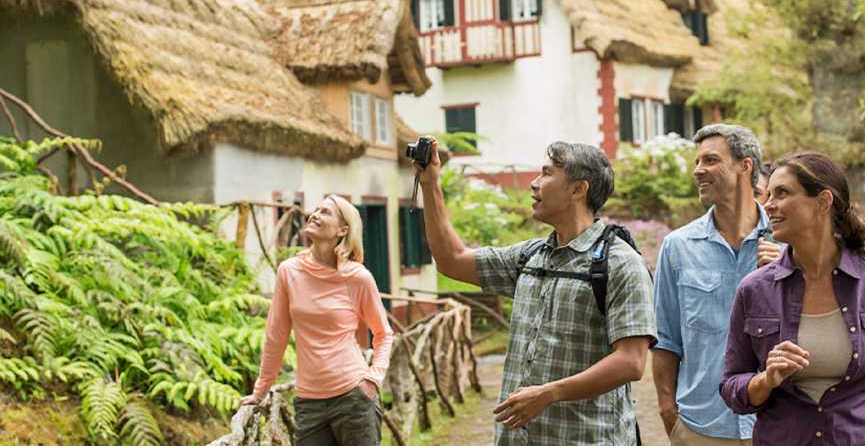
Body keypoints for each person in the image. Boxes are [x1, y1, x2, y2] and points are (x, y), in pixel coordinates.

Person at [415, 138, 655, 445]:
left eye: (546, 173)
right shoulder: (529, 257)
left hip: (587, 439)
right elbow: (451, 260)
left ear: (577, 189)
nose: (533, 183)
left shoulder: (621, 264)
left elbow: (631, 362)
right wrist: (430, 182)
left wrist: (549, 393)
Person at [720, 152, 865, 445]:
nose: (768, 205)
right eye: (769, 194)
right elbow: (731, 386)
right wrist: (765, 379)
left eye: (782, 193)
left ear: (823, 202)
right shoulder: (754, 289)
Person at [239, 195, 394, 446]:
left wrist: (373, 378)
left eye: (325, 212)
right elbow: (275, 335)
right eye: (315, 210)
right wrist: (261, 390)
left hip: (353, 395)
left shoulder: (358, 277)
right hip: (309, 401)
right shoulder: (289, 271)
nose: (315, 214)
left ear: (343, 230)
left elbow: (383, 333)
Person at [652, 124, 768, 446]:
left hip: (775, 426)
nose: (698, 171)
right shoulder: (677, 246)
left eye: (711, 160)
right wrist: (669, 415)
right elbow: (664, 340)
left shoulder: (788, 245)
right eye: (697, 162)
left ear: (745, 166)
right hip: (700, 428)